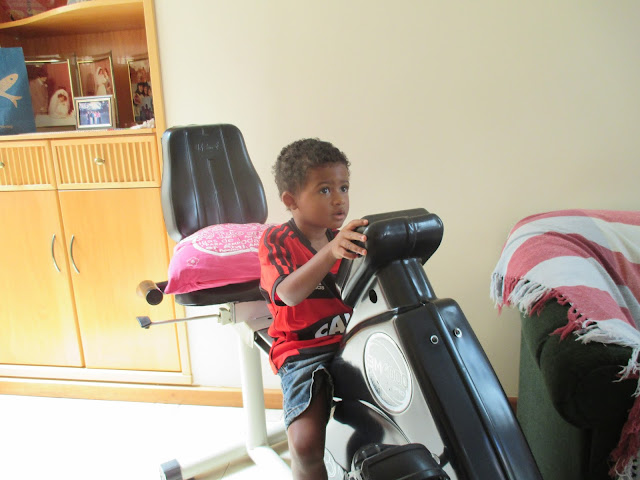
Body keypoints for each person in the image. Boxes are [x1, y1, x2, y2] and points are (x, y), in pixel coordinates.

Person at [259, 138, 368, 479]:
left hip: (350, 341)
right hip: (303, 350)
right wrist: (331, 252)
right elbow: (288, 294)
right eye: (324, 190)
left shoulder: (345, 240)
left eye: (343, 187)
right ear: (291, 201)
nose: (339, 199)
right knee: (305, 444)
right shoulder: (277, 240)